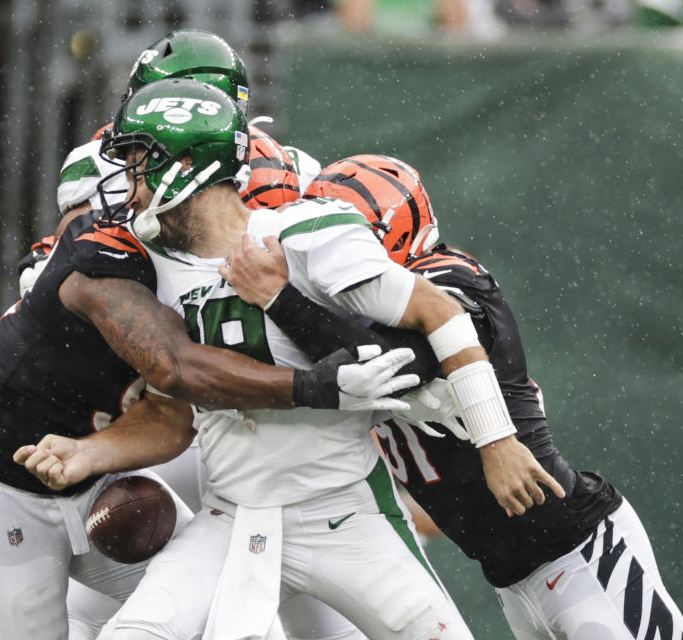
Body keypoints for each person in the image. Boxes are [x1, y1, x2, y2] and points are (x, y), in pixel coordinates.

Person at [25, 77, 566, 639]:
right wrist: (89, 453)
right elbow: (171, 415)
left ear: (186, 165)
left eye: (140, 163)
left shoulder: (306, 233)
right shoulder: (146, 263)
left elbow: (440, 314)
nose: (128, 185)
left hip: (346, 515)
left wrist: (497, 439)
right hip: (230, 516)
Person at [0, 89, 421, 640]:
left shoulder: (218, 256)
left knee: (226, 617)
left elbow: (172, 416)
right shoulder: (101, 255)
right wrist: (319, 387)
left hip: (98, 468)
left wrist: (90, 454)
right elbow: (176, 368)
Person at [226, 152, 683, 639]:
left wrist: (280, 298)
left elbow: (389, 367)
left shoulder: (450, 279)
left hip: (575, 548)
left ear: (384, 231)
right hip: (512, 575)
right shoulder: (358, 317)